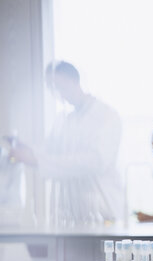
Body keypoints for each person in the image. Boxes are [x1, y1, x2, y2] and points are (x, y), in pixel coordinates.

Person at [9, 61, 123, 225]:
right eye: (51, 88)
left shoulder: (106, 116)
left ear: (74, 80)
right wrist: (26, 150)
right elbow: (50, 150)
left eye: (59, 86)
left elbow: (95, 162)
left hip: (103, 212)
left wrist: (37, 159)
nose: (57, 94)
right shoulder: (65, 120)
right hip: (73, 215)